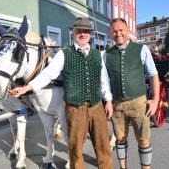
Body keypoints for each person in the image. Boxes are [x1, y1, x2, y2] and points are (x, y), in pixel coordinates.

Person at [12, 17, 114, 169]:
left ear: (90, 34)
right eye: (79, 31)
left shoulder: (96, 55)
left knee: (103, 146)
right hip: (76, 109)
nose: (82, 34)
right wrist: (26, 88)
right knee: (75, 149)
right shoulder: (64, 54)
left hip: (96, 106)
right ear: (73, 33)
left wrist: (109, 101)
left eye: (85, 31)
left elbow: (104, 80)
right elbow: (48, 74)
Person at [103, 18, 160, 169]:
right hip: (118, 105)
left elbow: (153, 75)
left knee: (143, 140)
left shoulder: (142, 49)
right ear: (111, 33)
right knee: (120, 139)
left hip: (139, 103)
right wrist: (108, 101)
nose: (118, 33)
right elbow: (105, 81)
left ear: (128, 31)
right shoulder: (106, 54)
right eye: (114, 31)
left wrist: (155, 100)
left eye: (121, 30)